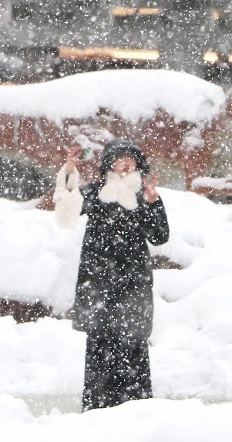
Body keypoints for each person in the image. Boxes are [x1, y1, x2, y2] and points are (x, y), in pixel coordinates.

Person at [54, 138, 169, 411]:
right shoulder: (96, 193)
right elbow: (66, 215)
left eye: (131, 158)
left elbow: (160, 236)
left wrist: (153, 204)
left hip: (133, 287)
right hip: (99, 286)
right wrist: (69, 173)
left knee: (133, 350)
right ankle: (96, 411)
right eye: (120, 158)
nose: (126, 163)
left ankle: (137, 411)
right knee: (100, 349)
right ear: (110, 163)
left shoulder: (145, 195)